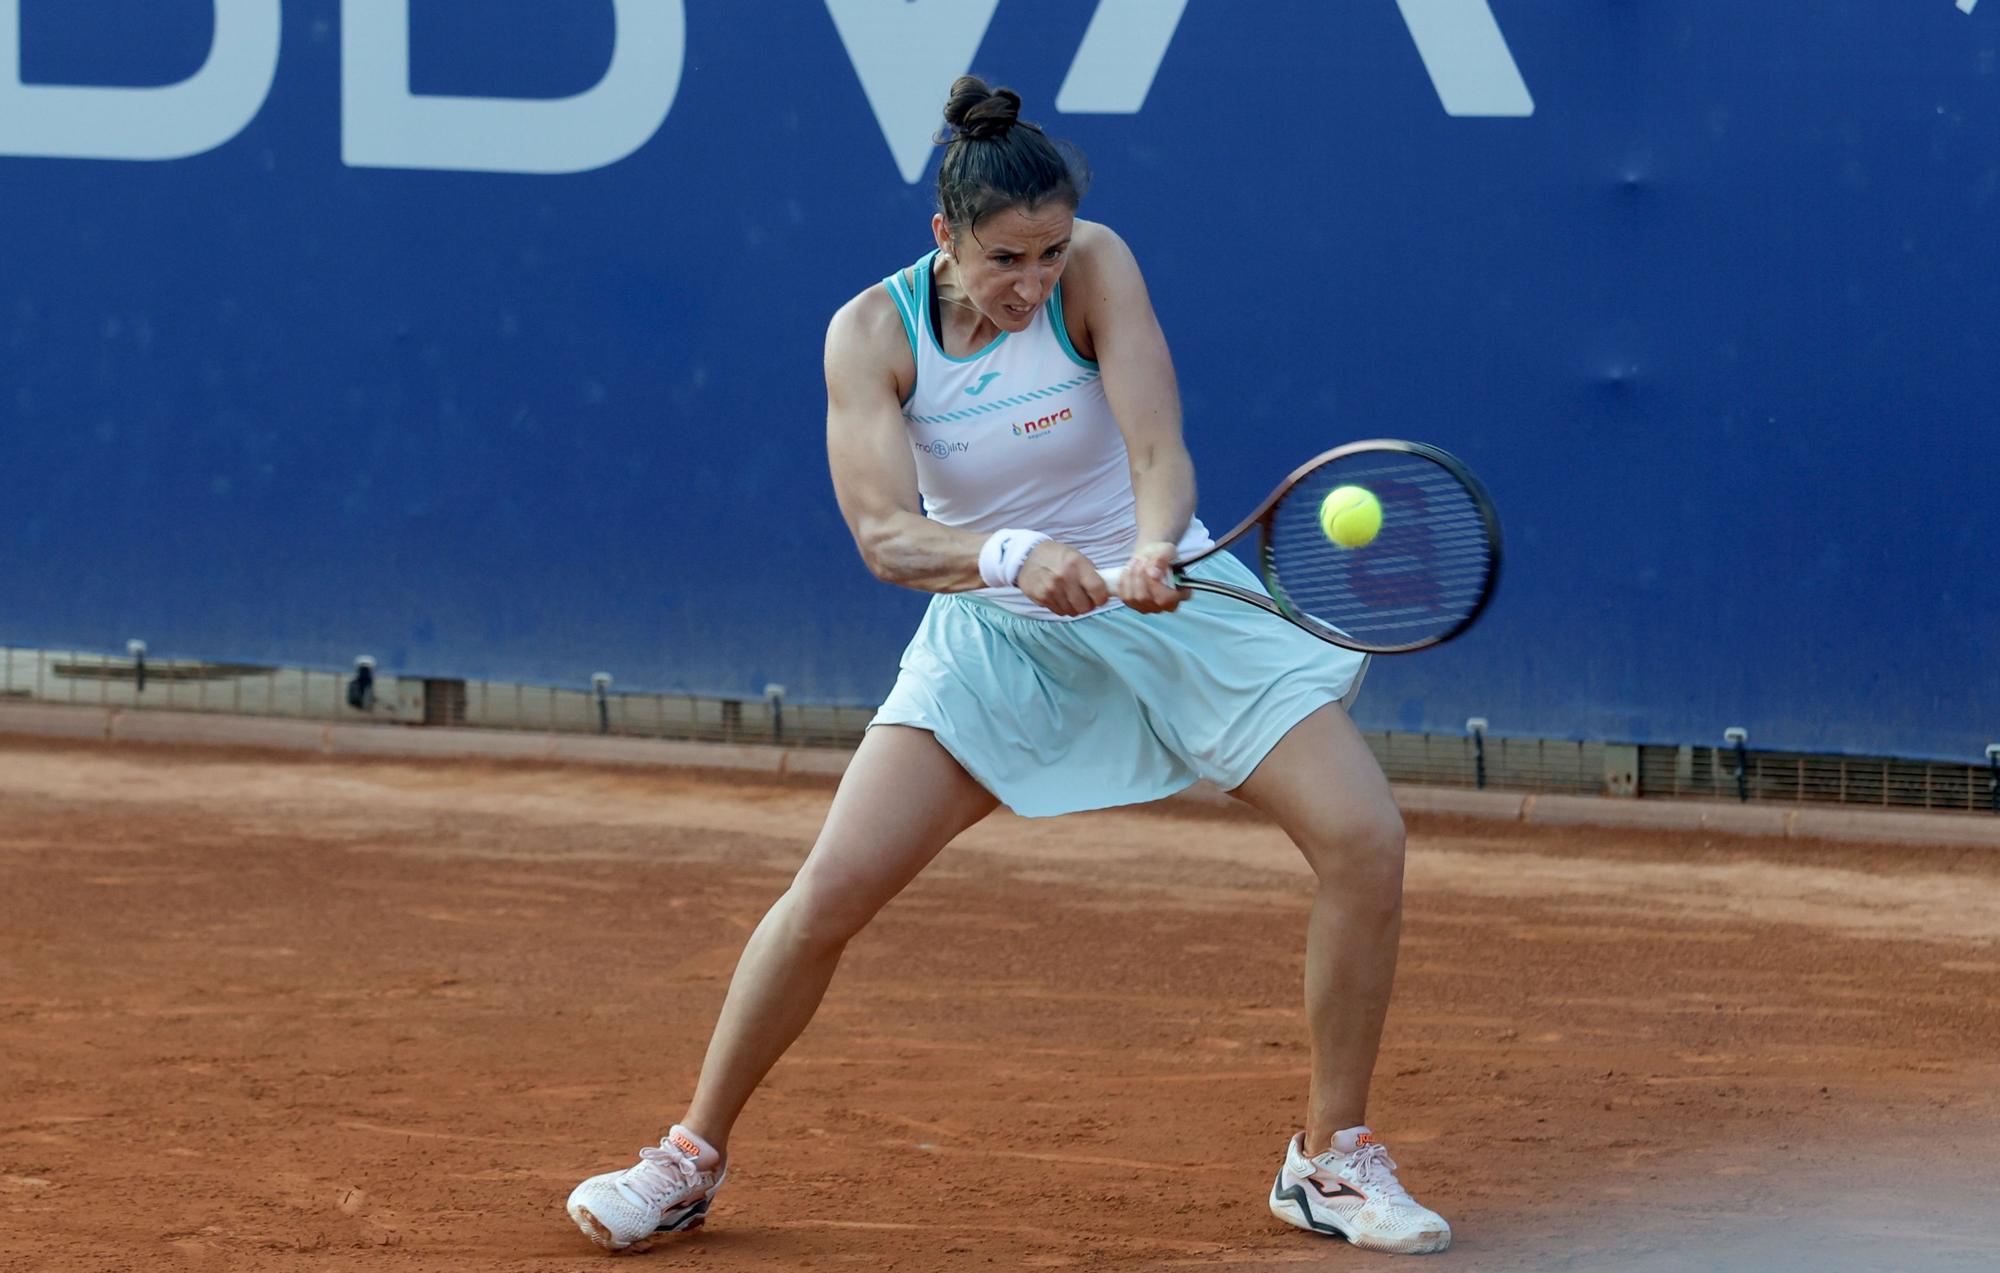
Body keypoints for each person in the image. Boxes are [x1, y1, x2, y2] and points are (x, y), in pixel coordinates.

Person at [564, 76, 1450, 1257]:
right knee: (828, 894)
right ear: (943, 237)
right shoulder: (869, 336)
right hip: (995, 635)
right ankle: (684, 1158)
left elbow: (1156, 448)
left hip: (1168, 607)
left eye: (1047, 251)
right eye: (1003, 260)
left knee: (1363, 836)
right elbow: (884, 535)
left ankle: (1328, 1161)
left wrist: (1144, 546)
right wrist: (1012, 554)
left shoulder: (1097, 267)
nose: (1031, 282)